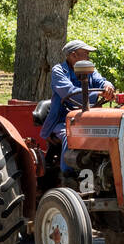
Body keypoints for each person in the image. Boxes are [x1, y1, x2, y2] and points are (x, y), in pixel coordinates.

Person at [40, 40, 115, 173]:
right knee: (69, 134)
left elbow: (101, 80)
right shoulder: (59, 71)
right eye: (85, 54)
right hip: (63, 120)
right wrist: (98, 92)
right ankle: (68, 175)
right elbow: (70, 93)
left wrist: (107, 87)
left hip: (88, 118)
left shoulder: (89, 69)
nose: (88, 57)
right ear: (73, 55)